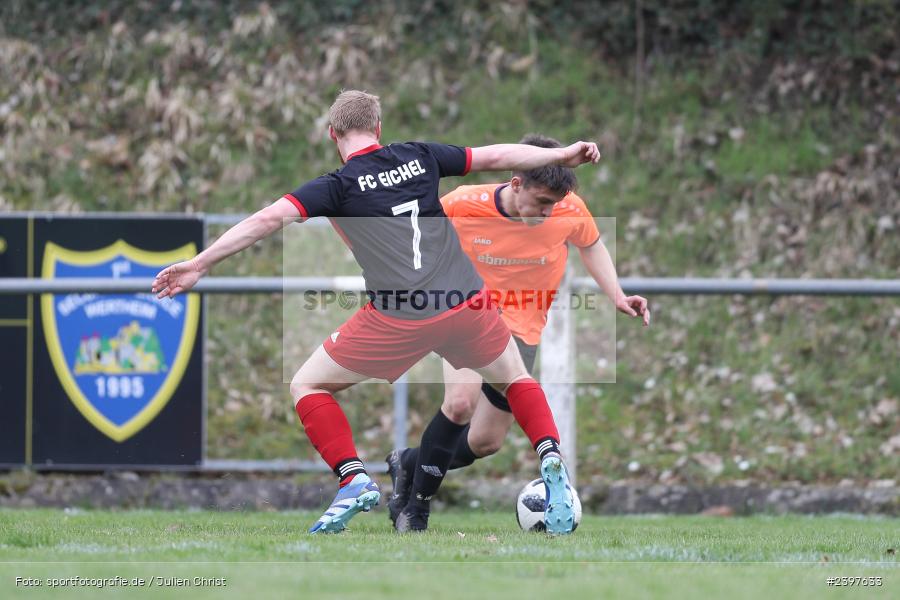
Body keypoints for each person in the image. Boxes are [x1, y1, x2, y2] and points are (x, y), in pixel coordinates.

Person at [151, 91, 601, 534]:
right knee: (517, 379)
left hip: (398, 316)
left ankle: (352, 478)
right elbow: (498, 154)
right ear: (379, 129)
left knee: (308, 383)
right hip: (466, 302)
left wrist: (199, 264)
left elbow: (266, 220)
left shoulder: (335, 186)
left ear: (333, 134)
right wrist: (563, 154)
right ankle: (549, 454)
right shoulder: (421, 155)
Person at [386, 134, 650, 531]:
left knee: (484, 442)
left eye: (554, 206)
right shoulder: (462, 204)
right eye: (541, 203)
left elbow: (592, 244)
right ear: (515, 184)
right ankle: (415, 511)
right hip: (466, 317)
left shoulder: (569, 209)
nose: (547, 213)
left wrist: (617, 295)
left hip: (523, 331)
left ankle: (408, 463)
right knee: (459, 403)